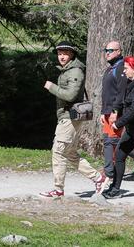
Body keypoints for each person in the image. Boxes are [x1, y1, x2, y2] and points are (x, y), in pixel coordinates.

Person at [40, 41, 107, 198]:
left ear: (72, 55)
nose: (62, 57)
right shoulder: (67, 70)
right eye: (59, 53)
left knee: (58, 151)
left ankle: (58, 190)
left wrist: (51, 87)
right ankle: (98, 178)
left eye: (65, 54)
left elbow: (70, 95)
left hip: (69, 117)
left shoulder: (75, 71)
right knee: (69, 153)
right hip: (67, 116)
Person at [102, 56, 134, 198]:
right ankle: (115, 189)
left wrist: (119, 123)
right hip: (131, 128)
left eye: (126, 68)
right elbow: (124, 102)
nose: (124, 72)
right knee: (119, 155)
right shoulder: (132, 83)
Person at [100, 41, 134, 183]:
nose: (107, 52)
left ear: (119, 51)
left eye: (111, 50)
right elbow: (107, 92)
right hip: (108, 110)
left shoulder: (121, 67)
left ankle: (109, 171)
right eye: (106, 50)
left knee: (112, 141)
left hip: (116, 110)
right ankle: (110, 169)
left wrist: (115, 110)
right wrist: (103, 111)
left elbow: (121, 92)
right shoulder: (110, 68)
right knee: (110, 140)